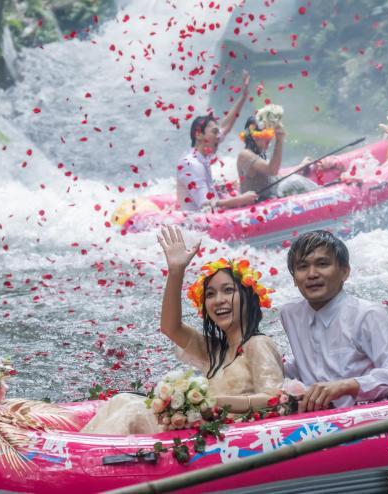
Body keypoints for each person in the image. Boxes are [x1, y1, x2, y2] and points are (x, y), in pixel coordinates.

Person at [82, 225, 289, 435]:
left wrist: (215, 402)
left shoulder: (258, 344)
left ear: (249, 298)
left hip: (231, 435)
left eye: (228, 291)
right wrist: (176, 271)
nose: (218, 300)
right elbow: (170, 327)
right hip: (204, 428)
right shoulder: (214, 350)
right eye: (210, 294)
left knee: (135, 412)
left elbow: (274, 398)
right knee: (122, 399)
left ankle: (83, 460)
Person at [279, 230, 388, 413]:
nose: (312, 274)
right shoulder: (291, 314)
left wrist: (348, 386)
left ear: (345, 271)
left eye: (322, 264)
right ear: (294, 279)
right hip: (315, 421)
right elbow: (310, 362)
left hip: (365, 418)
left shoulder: (367, 314)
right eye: (302, 267)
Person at [176, 71, 258, 211]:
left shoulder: (201, 153)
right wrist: (241, 199)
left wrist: (243, 96)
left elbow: (225, 126)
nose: (219, 136)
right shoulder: (192, 164)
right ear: (199, 135)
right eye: (214, 132)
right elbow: (207, 206)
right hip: (197, 223)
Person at [237, 116, 319, 201]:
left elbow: (274, 178)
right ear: (255, 137)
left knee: (292, 180)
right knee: (292, 182)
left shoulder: (259, 154)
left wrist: (300, 167)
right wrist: (279, 141)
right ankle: (320, 192)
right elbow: (273, 170)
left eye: (271, 134)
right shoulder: (244, 155)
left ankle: (320, 191)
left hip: (270, 196)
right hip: (258, 203)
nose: (270, 138)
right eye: (266, 135)